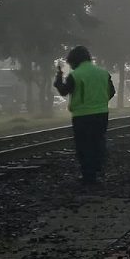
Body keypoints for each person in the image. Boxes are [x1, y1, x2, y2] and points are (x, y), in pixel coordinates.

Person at [54, 46, 116, 184]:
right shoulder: (103, 73)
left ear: (75, 61)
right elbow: (111, 91)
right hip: (101, 114)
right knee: (98, 141)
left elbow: (64, 91)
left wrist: (58, 79)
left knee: (84, 145)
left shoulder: (76, 75)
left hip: (82, 115)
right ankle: (97, 169)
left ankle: (89, 176)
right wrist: (100, 101)